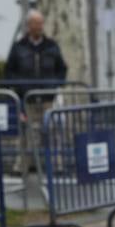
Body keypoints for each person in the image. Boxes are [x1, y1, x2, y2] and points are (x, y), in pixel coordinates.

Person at [5, 10, 68, 173]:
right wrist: (19, 87)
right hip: (28, 98)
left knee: (53, 131)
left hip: (48, 97)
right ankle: (23, 165)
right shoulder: (19, 47)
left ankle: (56, 164)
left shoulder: (51, 46)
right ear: (29, 26)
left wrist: (56, 84)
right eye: (36, 23)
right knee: (26, 132)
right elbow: (9, 71)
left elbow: (62, 68)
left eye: (41, 23)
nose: (39, 27)